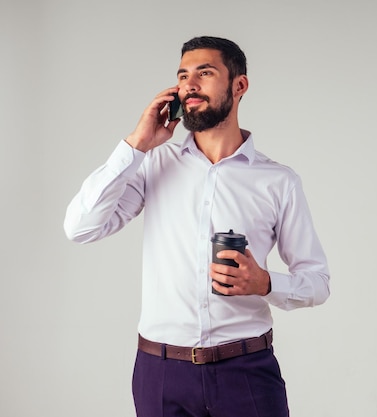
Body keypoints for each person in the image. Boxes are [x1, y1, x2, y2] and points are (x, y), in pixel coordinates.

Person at [64, 36, 330, 417]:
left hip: (247, 371)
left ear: (239, 86)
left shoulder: (278, 181)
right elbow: (80, 227)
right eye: (183, 75)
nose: (190, 83)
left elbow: (317, 281)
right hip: (160, 374)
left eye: (205, 73)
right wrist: (137, 143)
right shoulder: (153, 163)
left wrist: (265, 283)